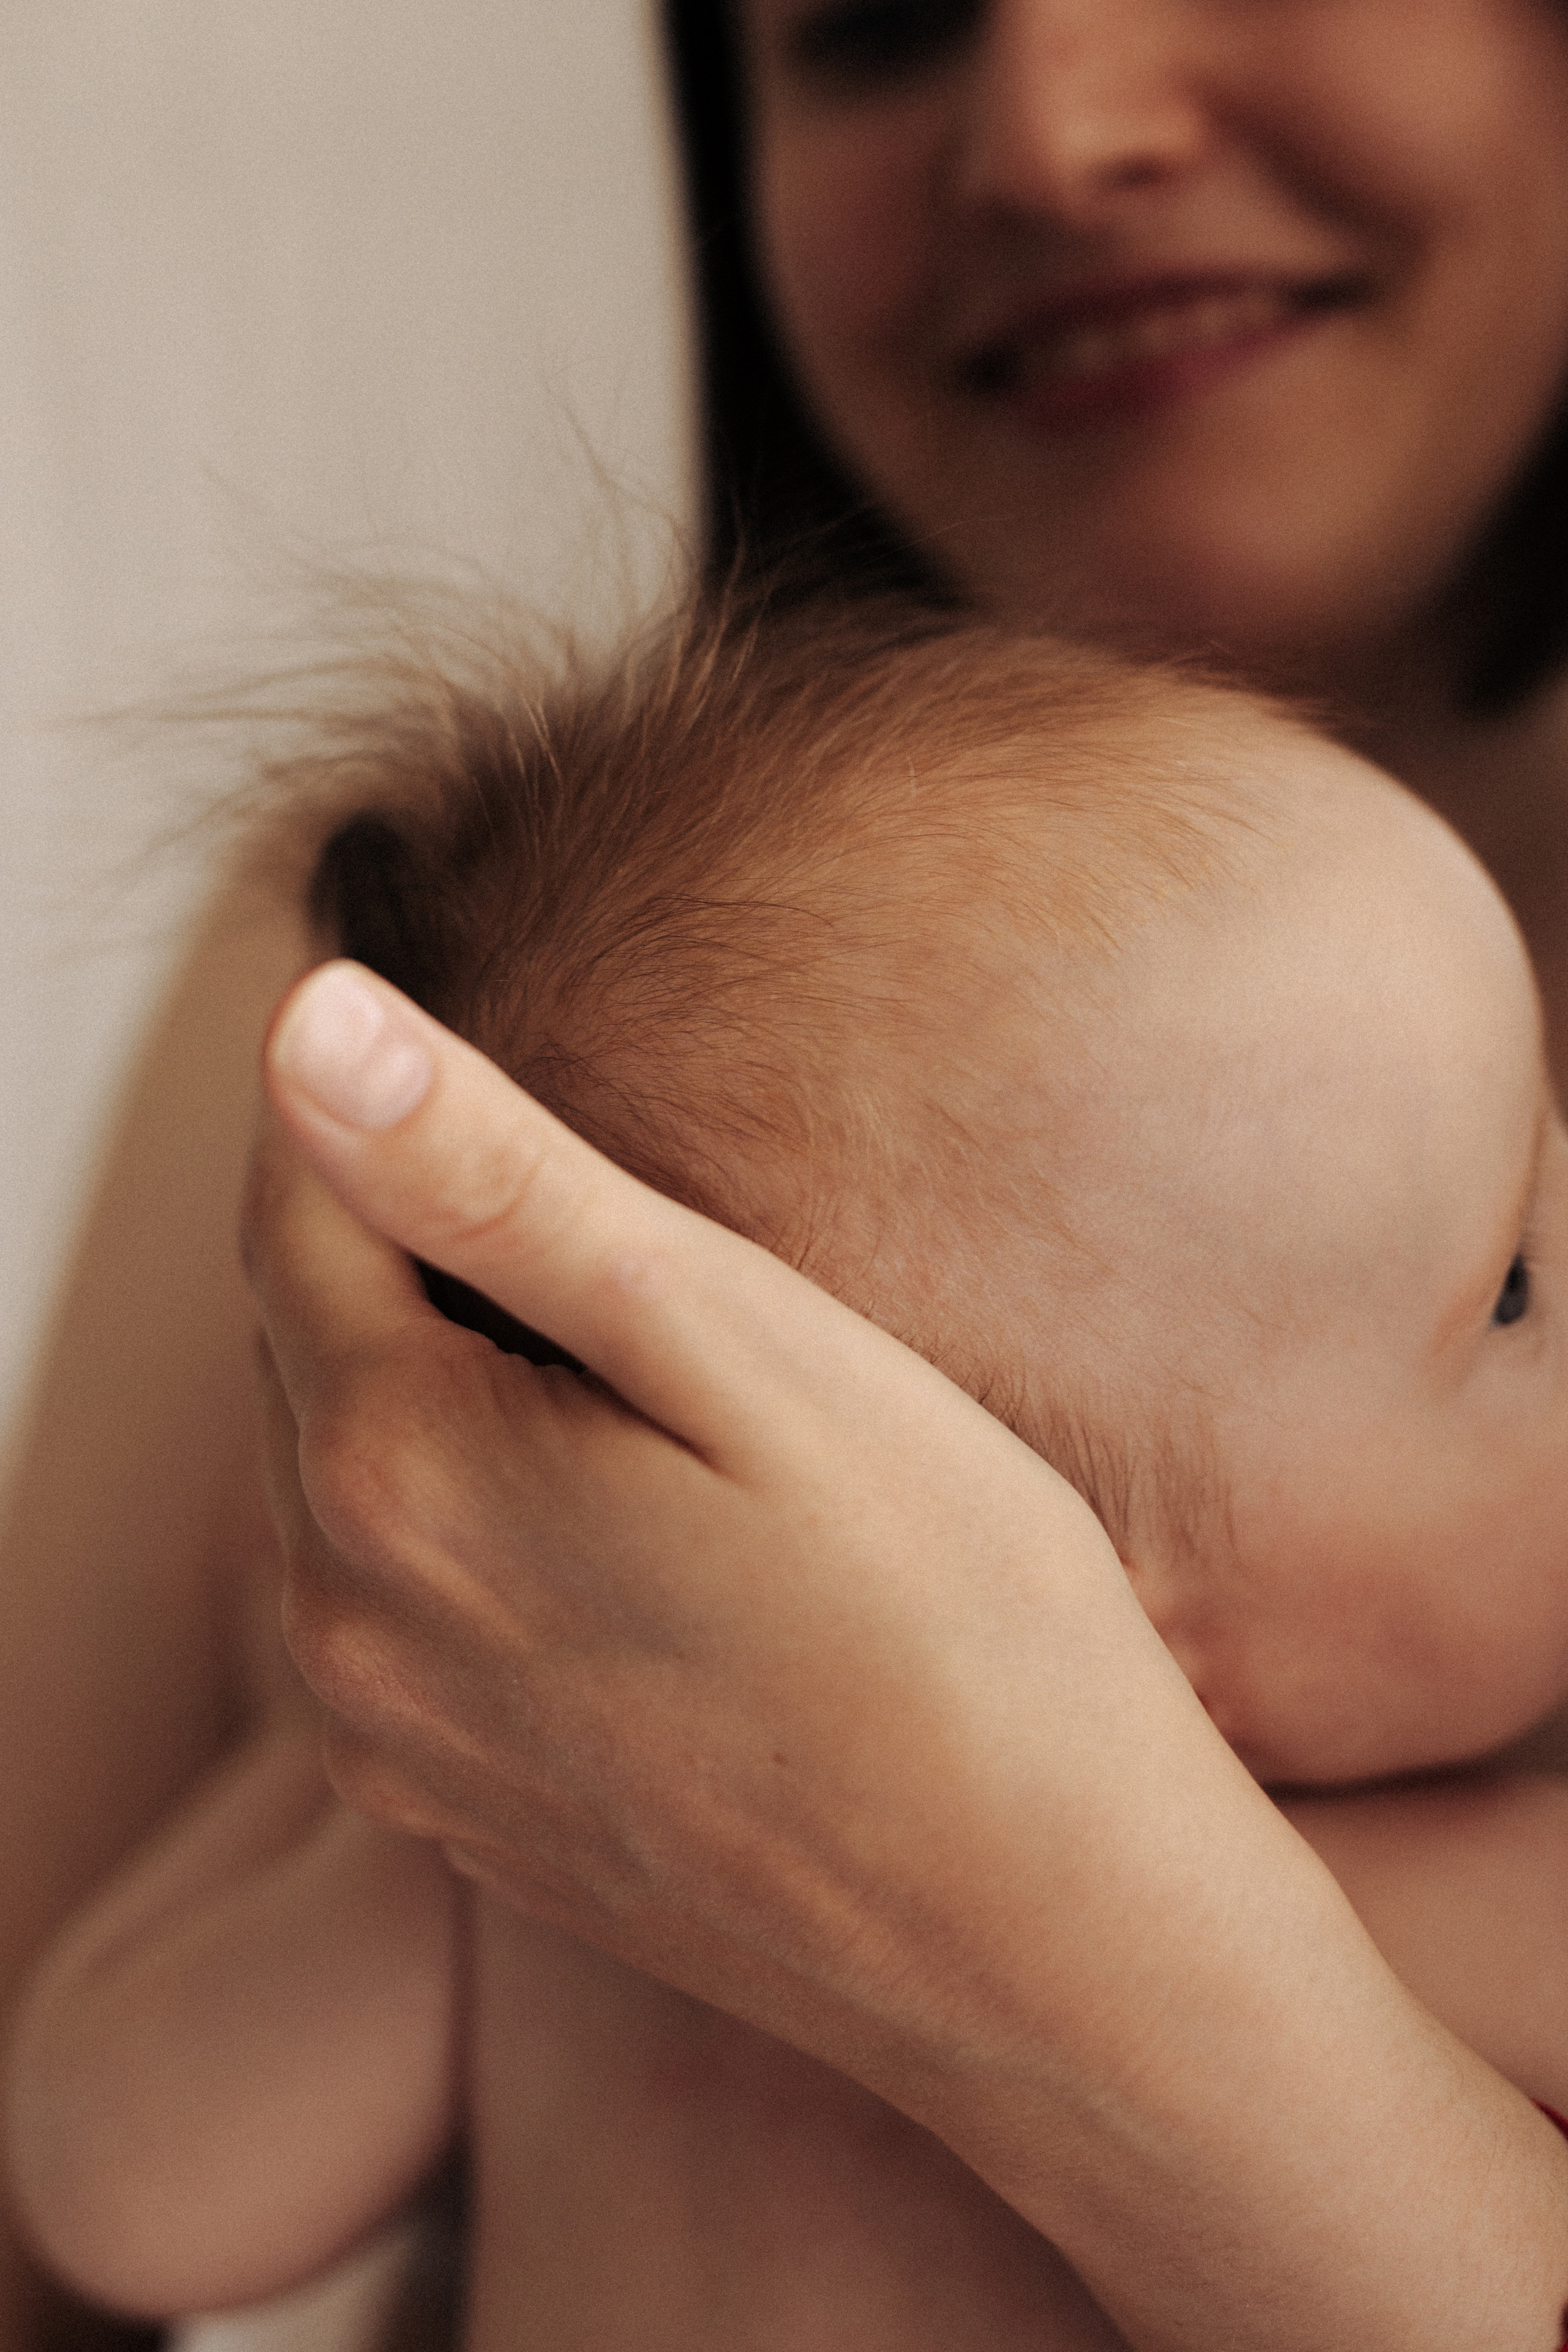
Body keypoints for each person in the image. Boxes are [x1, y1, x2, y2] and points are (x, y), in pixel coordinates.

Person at [7, 4, 1568, 2346]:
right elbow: (109, 2203)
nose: (1055, 131)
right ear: (1072, 1577)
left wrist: (1093, 1936)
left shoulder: (1478, 1885)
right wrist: (435, 1814)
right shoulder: (512, 1743)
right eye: (1516, 1301)